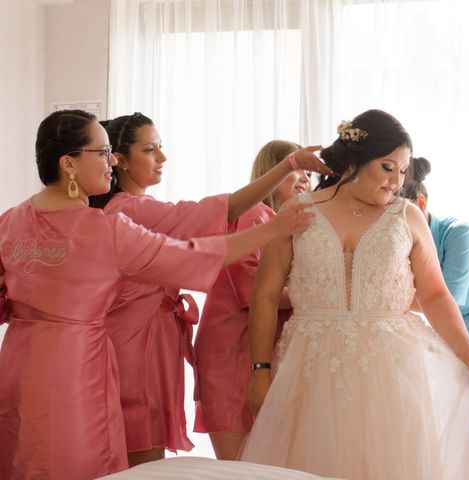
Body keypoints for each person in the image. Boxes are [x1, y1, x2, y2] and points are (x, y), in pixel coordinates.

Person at [0, 110, 314, 480]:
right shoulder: (107, 229)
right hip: (75, 364)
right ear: (68, 163)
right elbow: (193, 255)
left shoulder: (10, 221)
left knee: (23, 455)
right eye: (102, 153)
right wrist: (271, 229)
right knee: (81, 461)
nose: (112, 160)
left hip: (19, 361)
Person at [240, 109, 469, 479]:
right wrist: (259, 370)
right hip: (310, 367)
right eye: (388, 167)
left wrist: (468, 353)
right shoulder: (298, 211)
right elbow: (264, 296)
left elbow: (435, 295)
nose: (397, 181)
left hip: (391, 369)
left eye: (403, 171)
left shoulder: (406, 216)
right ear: (355, 159)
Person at [90, 113, 330, 466]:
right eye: (150, 150)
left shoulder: (135, 208)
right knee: (140, 444)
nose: (162, 159)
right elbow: (220, 215)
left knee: (144, 446)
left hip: (154, 338)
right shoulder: (129, 208)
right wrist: (288, 165)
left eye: (161, 149)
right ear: (120, 160)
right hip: (139, 340)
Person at [194, 140, 310, 460]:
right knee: (240, 462)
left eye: (309, 175)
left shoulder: (285, 223)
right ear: (272, 172)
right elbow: (252, 290)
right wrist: (319, 295)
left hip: (252, 349)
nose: (305, 179)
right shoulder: (254, 214)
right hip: (234, 351)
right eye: (297, 170)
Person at [405, 156, 469, 383]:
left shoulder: (462, 235)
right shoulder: (403, 247)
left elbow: (446, 300)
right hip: (459, 355)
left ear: (420, 204)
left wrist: (381, 298)